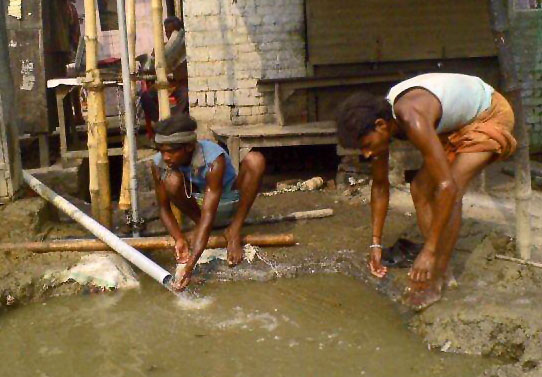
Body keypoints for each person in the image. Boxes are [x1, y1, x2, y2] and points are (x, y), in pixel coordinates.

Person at [336, 73, 516, 309]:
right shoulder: (384, 124)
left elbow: (447, 188)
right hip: (458, 123)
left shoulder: (411, 118)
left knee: (452, 188)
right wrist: (375, 244)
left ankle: (436, 275)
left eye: (367, 146)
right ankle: (442, 265)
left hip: (489, 114)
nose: (367, 154)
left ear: (380, 125)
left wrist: (427, 251)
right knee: (420, 187)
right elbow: (380, 186)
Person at [151, 113, 266, 291]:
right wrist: (179, 238)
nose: (166, 157)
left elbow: (209, 214)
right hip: (200, 212)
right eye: (162, 151)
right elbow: (163, 208)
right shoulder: (159, 164)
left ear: (189, 147)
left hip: (228, 204)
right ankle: (201, 229)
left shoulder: (213, 159)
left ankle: (234, 228)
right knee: (171, 181)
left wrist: (190, 266)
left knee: (256, 160)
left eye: (172, 151)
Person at [141, 16, 189, 127]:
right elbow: (150, 71)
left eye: (171, 32)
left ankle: (174, 123)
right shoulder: (161, 46)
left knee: (185, 95)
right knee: (145, 97)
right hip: (164, 84)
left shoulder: (185, 47)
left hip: (179, 84)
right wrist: (153, 60)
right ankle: (160, 123)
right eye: (167, 32)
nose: (168, 35)